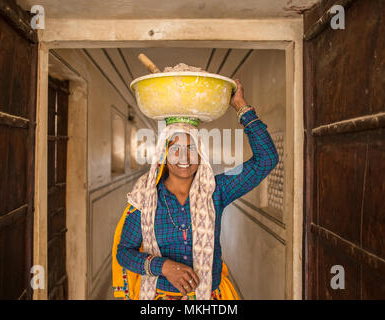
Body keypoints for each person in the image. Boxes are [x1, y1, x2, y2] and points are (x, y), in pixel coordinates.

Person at [112, 79, 279, 300]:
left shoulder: (216, 189)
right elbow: (124, 253)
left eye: (192, 148)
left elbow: (266, 159)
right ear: (164, 154)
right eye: (176, 149)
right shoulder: (145, 197)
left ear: (201, 154)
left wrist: (240, 106)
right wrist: (163, 267)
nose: (184, 157)